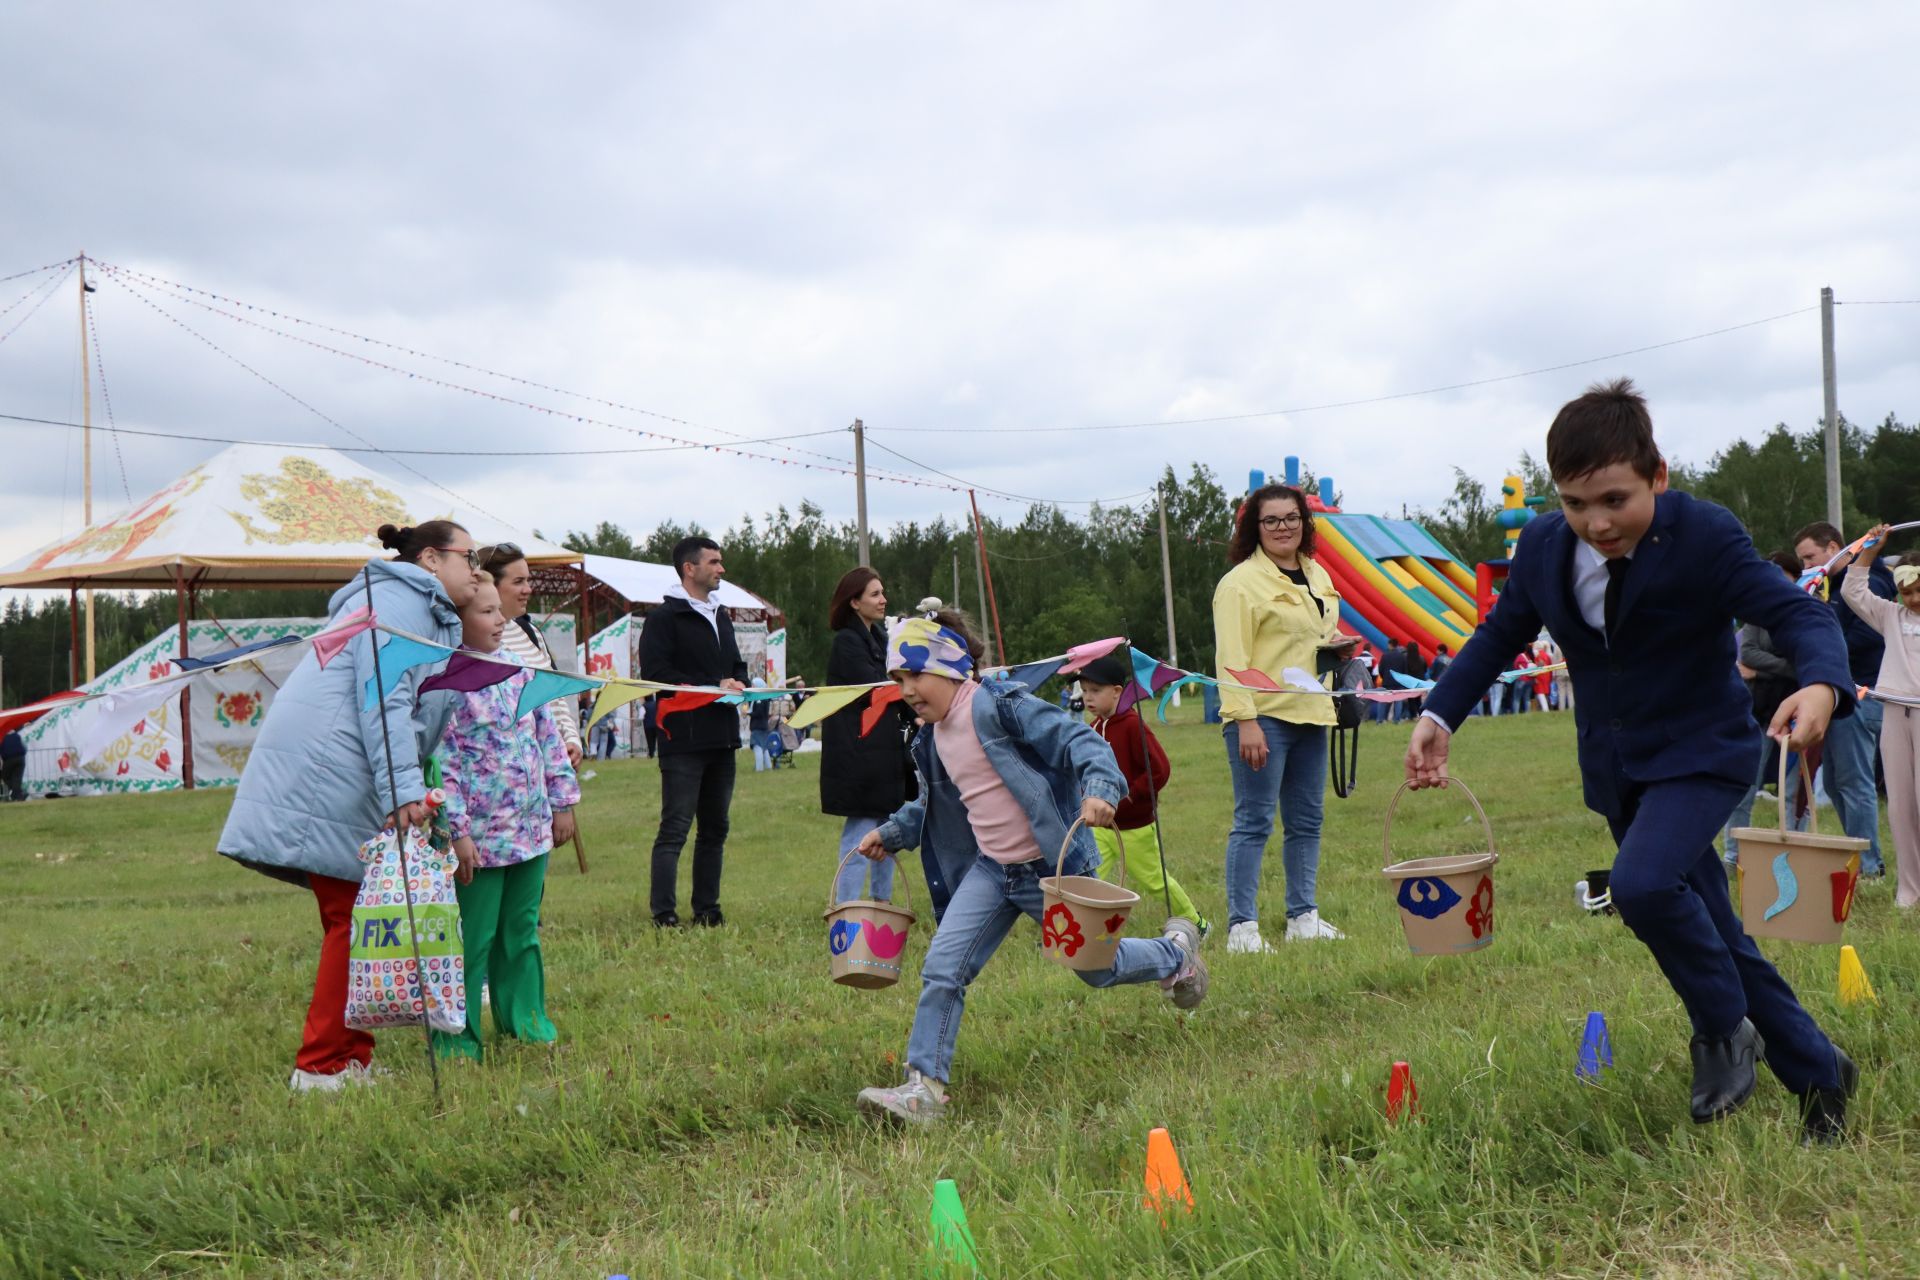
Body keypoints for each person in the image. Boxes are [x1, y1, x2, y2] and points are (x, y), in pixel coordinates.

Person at [1407, 377, 1858, 1142]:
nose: (1595, 523)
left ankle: (1723, 1029)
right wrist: (1438, 712)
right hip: (1620, 770)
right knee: (1718, 932)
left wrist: (1821, 684)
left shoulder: (1705, 535)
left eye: (1615, 500)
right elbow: (1498, 634)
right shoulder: (1547, 546)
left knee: (1644, 887)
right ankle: (1820, 1074)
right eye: (1575, 504)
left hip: (1703, 755)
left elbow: (1794, 611)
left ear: (1658, 476)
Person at [851, 615, 1207, 1125]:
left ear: (951, 666)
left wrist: (1101, 790)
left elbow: (1079, 743)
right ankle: (923, 1090)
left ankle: (1174, 955)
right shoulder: (929, 736)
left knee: (1098, 971)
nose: (906, 690)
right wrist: (892, 832)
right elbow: (937, 803)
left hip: (1051, 871)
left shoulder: (998, 705)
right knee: (943, 969)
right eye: (898, 680)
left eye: (915, 676)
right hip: (993, 872)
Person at [217, 520, 477, 1091]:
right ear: (431, 559)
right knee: (352, 923)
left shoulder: (404, 603)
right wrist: (405, 791)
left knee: (359, 920)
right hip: (329, 775)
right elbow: (384, 702)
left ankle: (351, 1057)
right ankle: (321, 1065)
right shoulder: (398, 604)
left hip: (337, 773)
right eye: (469, 555)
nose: (475, 568)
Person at [432, 573, 580, 1061]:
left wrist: (562, 802)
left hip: (531, 828)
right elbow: (445, 761)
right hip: (480, 839)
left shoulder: (519, 667)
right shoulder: (445, 679)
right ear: (458, 620)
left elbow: (547, 738)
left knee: (521, 931)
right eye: (488, 612)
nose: (500, 621)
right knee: (474, 940)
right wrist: (458, 833)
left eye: (500, 610)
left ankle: (527, 1021)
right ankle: (457, 1040)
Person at [1213, 482, 1353, 952]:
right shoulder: (1239, 584)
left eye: (1291, 518)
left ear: (1304, 523)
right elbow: (1231, 656)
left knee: (1307, 822)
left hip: (1313, 713)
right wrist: (1244, 718)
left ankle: (1303, 917)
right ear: (1255, 527)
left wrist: (1338, 653)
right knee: (1253, 822)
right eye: (1270, 520)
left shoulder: (1317, 574)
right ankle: (1242, 929)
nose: (1282, 528)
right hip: (1262, 716)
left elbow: (1312, 637)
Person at [638, 536, 748, 928]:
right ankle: (664, 913)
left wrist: (738, 681)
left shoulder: (721, 614)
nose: (721, 569)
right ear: (690, 568)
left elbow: (736, 665)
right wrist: (712, 685)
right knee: (675, 829)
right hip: (682, 739)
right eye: (714, 562)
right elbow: (655, 675)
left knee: (715, 828)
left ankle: (707, 909)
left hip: (723, 736)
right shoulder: (663, 619)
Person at [1076, 651, 1212, 937]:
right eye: (1085, 690)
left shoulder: (1131, 725)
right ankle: (1079, 930)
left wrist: (1129, 797)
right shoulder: (1092, 729)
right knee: (1090, 876)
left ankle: (1196, 923)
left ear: (1116, 692)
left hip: (1134, 827)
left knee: (1155, 880)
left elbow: (1159, 769)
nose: (1088, 697)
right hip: (1101, 825)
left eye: (1096, 691)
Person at [1796, 520, 1896, 879]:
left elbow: (1871, 636)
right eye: (1802, 561)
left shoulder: (1873, 582)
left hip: (1863, 693)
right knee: (1837, 782)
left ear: (1834, 546)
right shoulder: (1831, 588)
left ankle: (1870, 868)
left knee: (1855, 783)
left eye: (1810, 557)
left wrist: (1825, 654)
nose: (1807, 566)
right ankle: (1862, 856)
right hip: (1841, 694)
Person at [1838, 525, 1920, 907]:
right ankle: (1909, 890)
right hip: (1892, 712)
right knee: (1901, 805)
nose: (1913, 599)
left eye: (1919, 591)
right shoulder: (1890, 615)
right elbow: (1852, 591)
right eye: (1907, 592)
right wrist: (1869, 551)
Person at [820, 567, 913, 905]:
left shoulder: (880, 639)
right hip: (857, 754)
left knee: (886, 832)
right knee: (860, 832)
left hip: (883, 752)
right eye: (875, 594)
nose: (883, 599)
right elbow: (877, 690)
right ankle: (844, 905)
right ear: (854, 602)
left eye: (883, 592)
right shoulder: (847, 642)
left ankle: (881, 902)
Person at [1723, 553, 1813, 865]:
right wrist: (1782, 667)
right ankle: (1734, 857)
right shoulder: (1755, 614)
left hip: (1800, 712)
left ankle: (1800, 852)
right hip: (1758, 711)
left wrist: (1764, 667)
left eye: (1783, 576)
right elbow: (1747, 653)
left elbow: (1807, 660)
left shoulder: (1806, 613)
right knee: (1744, 787)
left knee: (1795, 791)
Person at [484, 545, 584, 767]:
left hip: (548, 767)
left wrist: (570, 739)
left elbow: (554, 695)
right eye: (518, 581)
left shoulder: (531, 633)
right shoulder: (476, 638)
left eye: (527, 581)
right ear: (490, 584)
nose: (528, 589)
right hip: (508, 770)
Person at [0, 727, 25, 801]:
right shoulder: (17, 735)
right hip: (20, 758)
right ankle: (18, 795)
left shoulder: (2, 737)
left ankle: (17, 793)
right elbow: (24, 748)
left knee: (5, 777)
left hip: (9, 759)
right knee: (17, 778)